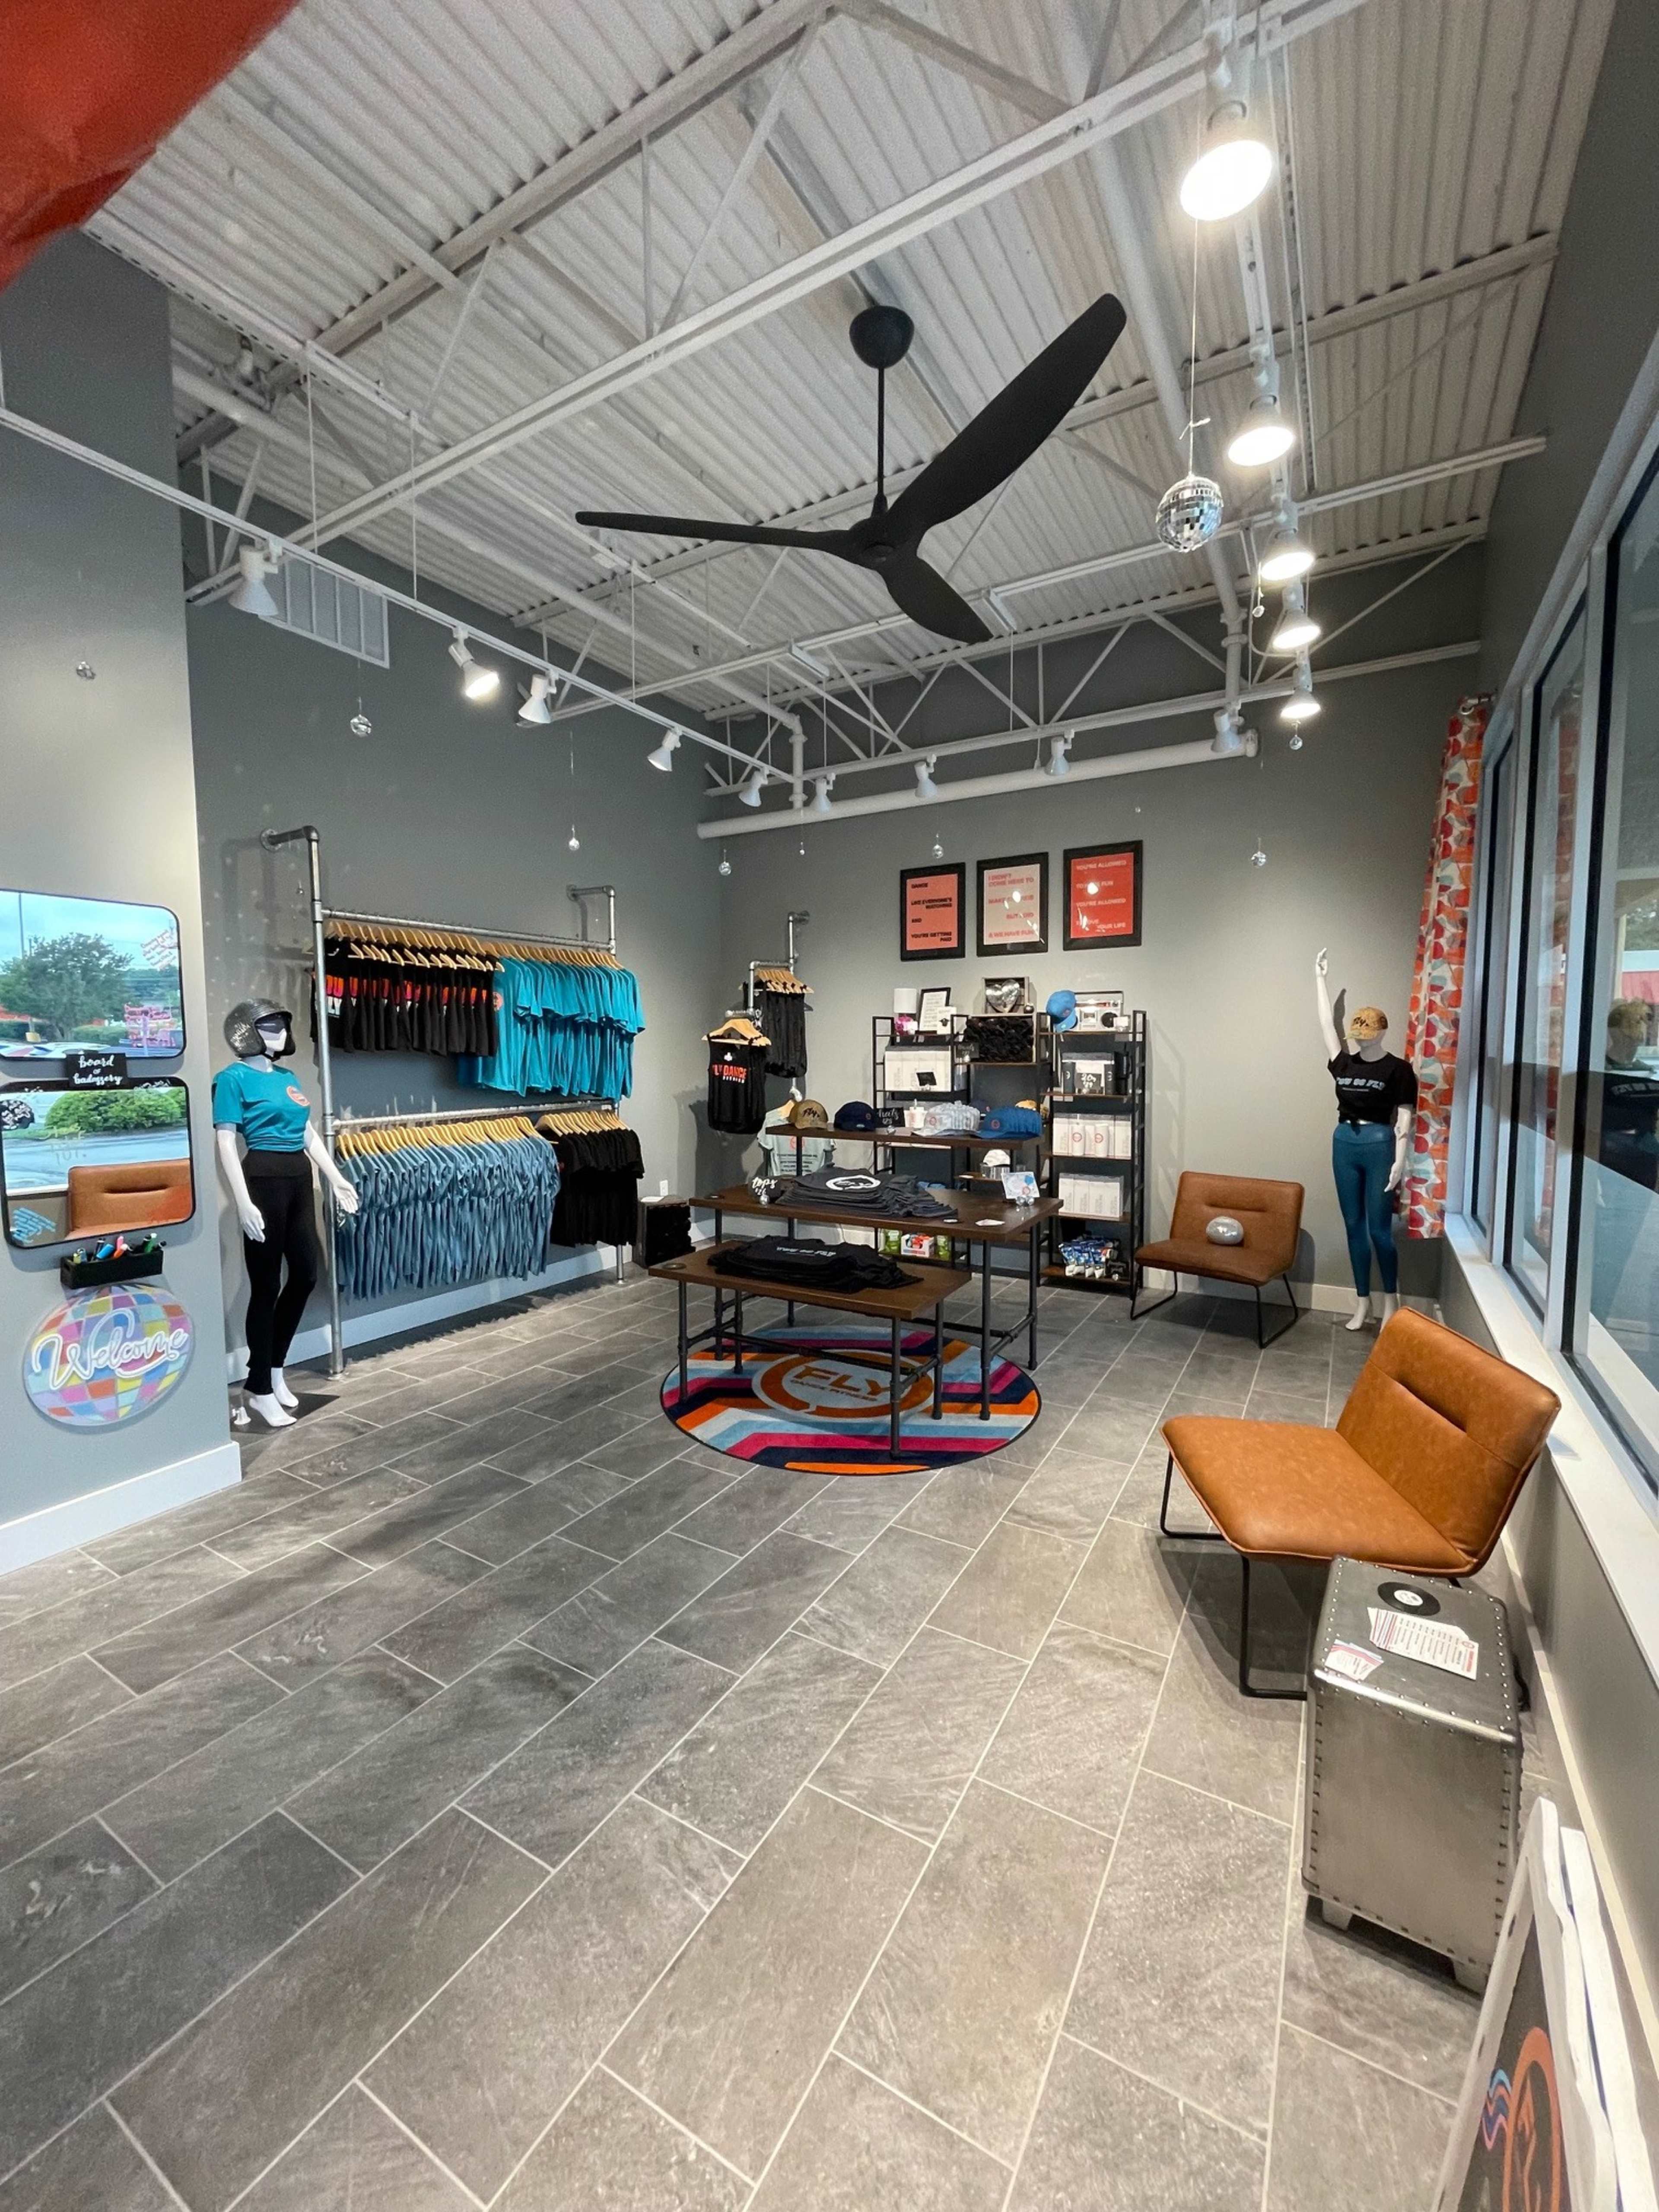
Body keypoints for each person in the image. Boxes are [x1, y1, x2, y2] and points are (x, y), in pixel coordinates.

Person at [213, 998, 358, 1428]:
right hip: (262, 1177)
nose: (278, 1032)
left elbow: (308, 1133)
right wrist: (242, 1202)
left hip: (297, 1176)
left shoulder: (288, 1077)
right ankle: (256, 1390)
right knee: (264, 1286)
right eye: (270, 1025)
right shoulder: (231, 1079)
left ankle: (273, 1369)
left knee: (306, 1275)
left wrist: (335, 1176)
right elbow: (225, 1143)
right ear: (247, 1031)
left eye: (281, 1025)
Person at [1315, 950, 1417, 1330]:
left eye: (1366, 1034)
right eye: (1356, 1034)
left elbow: (1405, 1117)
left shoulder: (1399, 1070)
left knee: (1380, 1230)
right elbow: (1326, 1024)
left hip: (1380, 1143)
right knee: (1353, 1226)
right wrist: (1320, 980)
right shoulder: (1344, 1063)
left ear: (1381, 1033)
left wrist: (1400, 1160)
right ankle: (1363, 1304)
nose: (1360, 1040)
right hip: (1344, 1140)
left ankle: (1392, 1302)